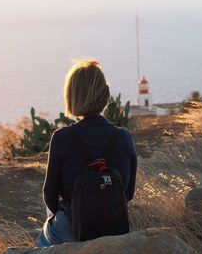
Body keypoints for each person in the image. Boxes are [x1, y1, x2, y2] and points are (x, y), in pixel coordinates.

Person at [36, 59, 137, 247]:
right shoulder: (124, 137)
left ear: (72, 96)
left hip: (73, 228)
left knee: (43, 237)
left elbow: (49, 195)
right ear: (105, 95)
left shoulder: (62, 137)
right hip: (114, 227)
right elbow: (128, 193)